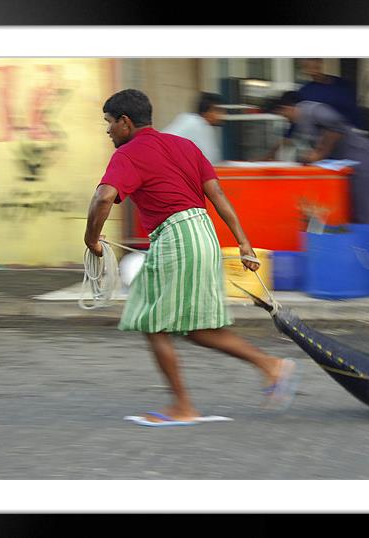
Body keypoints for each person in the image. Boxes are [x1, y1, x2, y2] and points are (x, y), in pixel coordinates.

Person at [84, 89, 297, 425]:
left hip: (175, 238)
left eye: (109, 123)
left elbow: (102, 197)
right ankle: (271, 366)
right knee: (194, 327)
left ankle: (183, 406)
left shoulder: (128, 154)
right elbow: (217, 195)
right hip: (203, 233)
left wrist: (92, 240)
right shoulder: (185, 146)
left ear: (125, 122)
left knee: (150, 320)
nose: (108, 130)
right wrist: (243, 242)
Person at [272, 91, 369, 225]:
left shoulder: (311, 110)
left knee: (365, 208)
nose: (285, 118)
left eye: (283, 115)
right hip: (343, 164)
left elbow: (335, 128)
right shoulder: (298, 123)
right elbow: (287, 141)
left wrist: (320, 153)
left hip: (363, 156)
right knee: (350, 210)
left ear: (287, 108)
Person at [262, 59, 362, 161]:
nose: (310, 67)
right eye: (305, 65)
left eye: (313, 62)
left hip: (350, 140)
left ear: (321, 62)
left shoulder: (343, 86)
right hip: (328, 147)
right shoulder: (305, 92)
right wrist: (271, 154)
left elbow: (351, 113)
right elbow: (293, 127)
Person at [162, 92, 224, 164]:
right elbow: (209, 161)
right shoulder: (200, 125)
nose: (221, 115)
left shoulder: (188, 119)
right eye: (218, 111)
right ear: (207, 111)